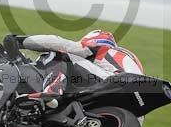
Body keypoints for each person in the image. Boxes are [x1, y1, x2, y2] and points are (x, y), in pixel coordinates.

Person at [15, 30, 144, 106]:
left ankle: (52, 91)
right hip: (132, 102)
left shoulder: (103, 49)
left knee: (61, 54)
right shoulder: (123, 58)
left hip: (114, 82)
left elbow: (63, 45)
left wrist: (21, 41)